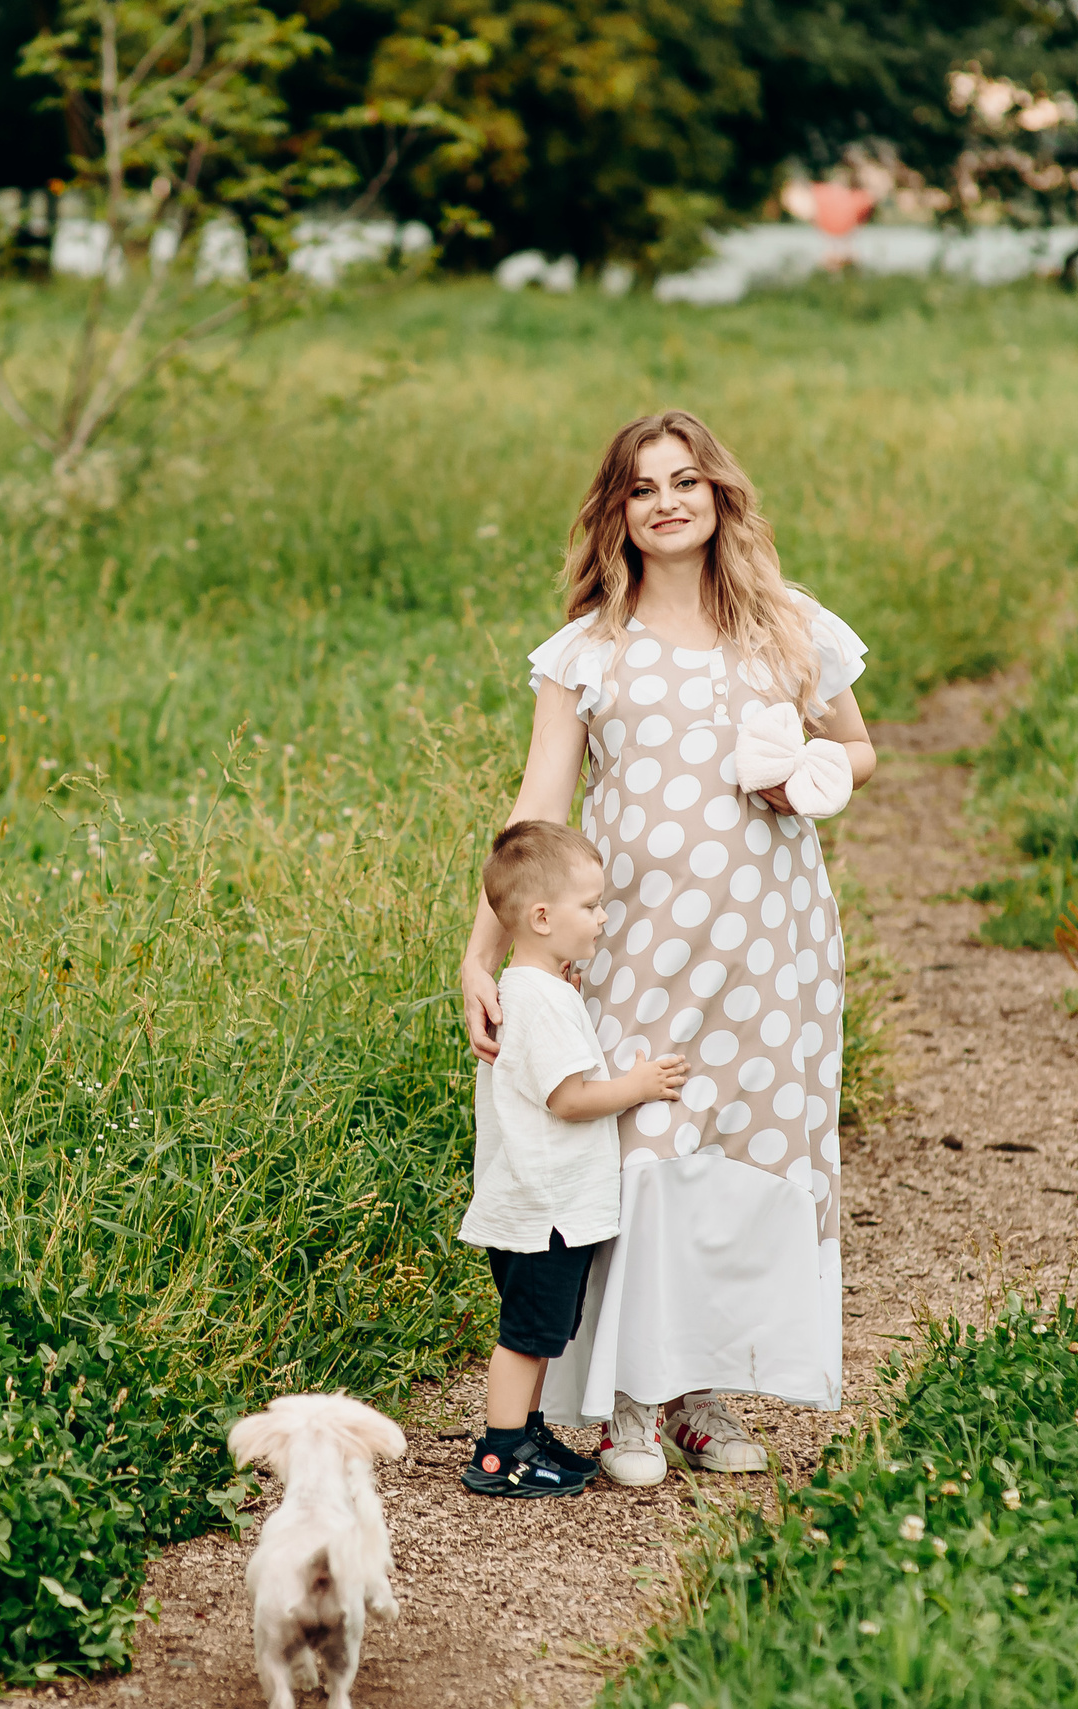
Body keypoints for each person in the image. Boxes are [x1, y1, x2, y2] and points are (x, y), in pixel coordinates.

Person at [456, 411, 877, 1489]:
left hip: (772, 944)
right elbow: (540, 808)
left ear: (720, 493)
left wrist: (802, 779)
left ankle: (704, 1391)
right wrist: (482, 953)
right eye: (642, 488)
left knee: (743, 1148)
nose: (667, 501)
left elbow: (856, 748)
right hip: (639, 938)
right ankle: (629, 1400)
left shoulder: (788, 628)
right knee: (644, 1143)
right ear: (619, 512)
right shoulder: (589, 648)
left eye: (685, 480)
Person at [457, 820, 687, 1498]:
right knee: (526, 1334)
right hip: (543, 1209)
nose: (601, 916)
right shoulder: (538, 1000)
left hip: (537, 1202)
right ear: (541, 916)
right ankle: (500, 1453)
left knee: (544, 1330)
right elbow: (568, 1096)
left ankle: (526, 1431)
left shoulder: (538, 989)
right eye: (589, 905)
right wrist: (637, 1088)